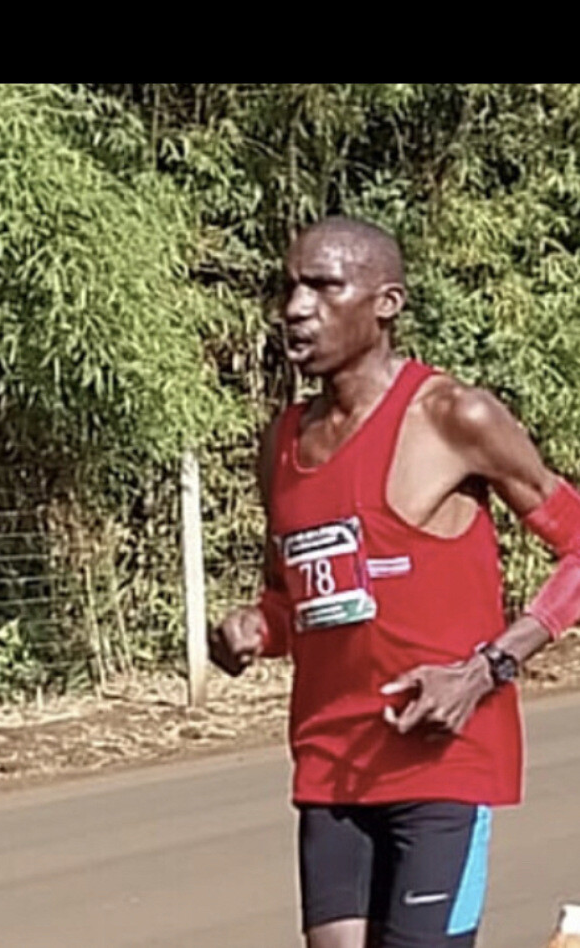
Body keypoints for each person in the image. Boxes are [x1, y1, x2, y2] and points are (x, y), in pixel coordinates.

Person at [209, 216, 580, 948]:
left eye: (324, 286)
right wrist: (256, 626)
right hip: (331, 763)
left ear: (387, 303)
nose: (296, 307)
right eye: (290, 287)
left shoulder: (453, 415)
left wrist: (487, 668)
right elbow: (294, 598)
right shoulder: (282, 441)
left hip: (444, 758)